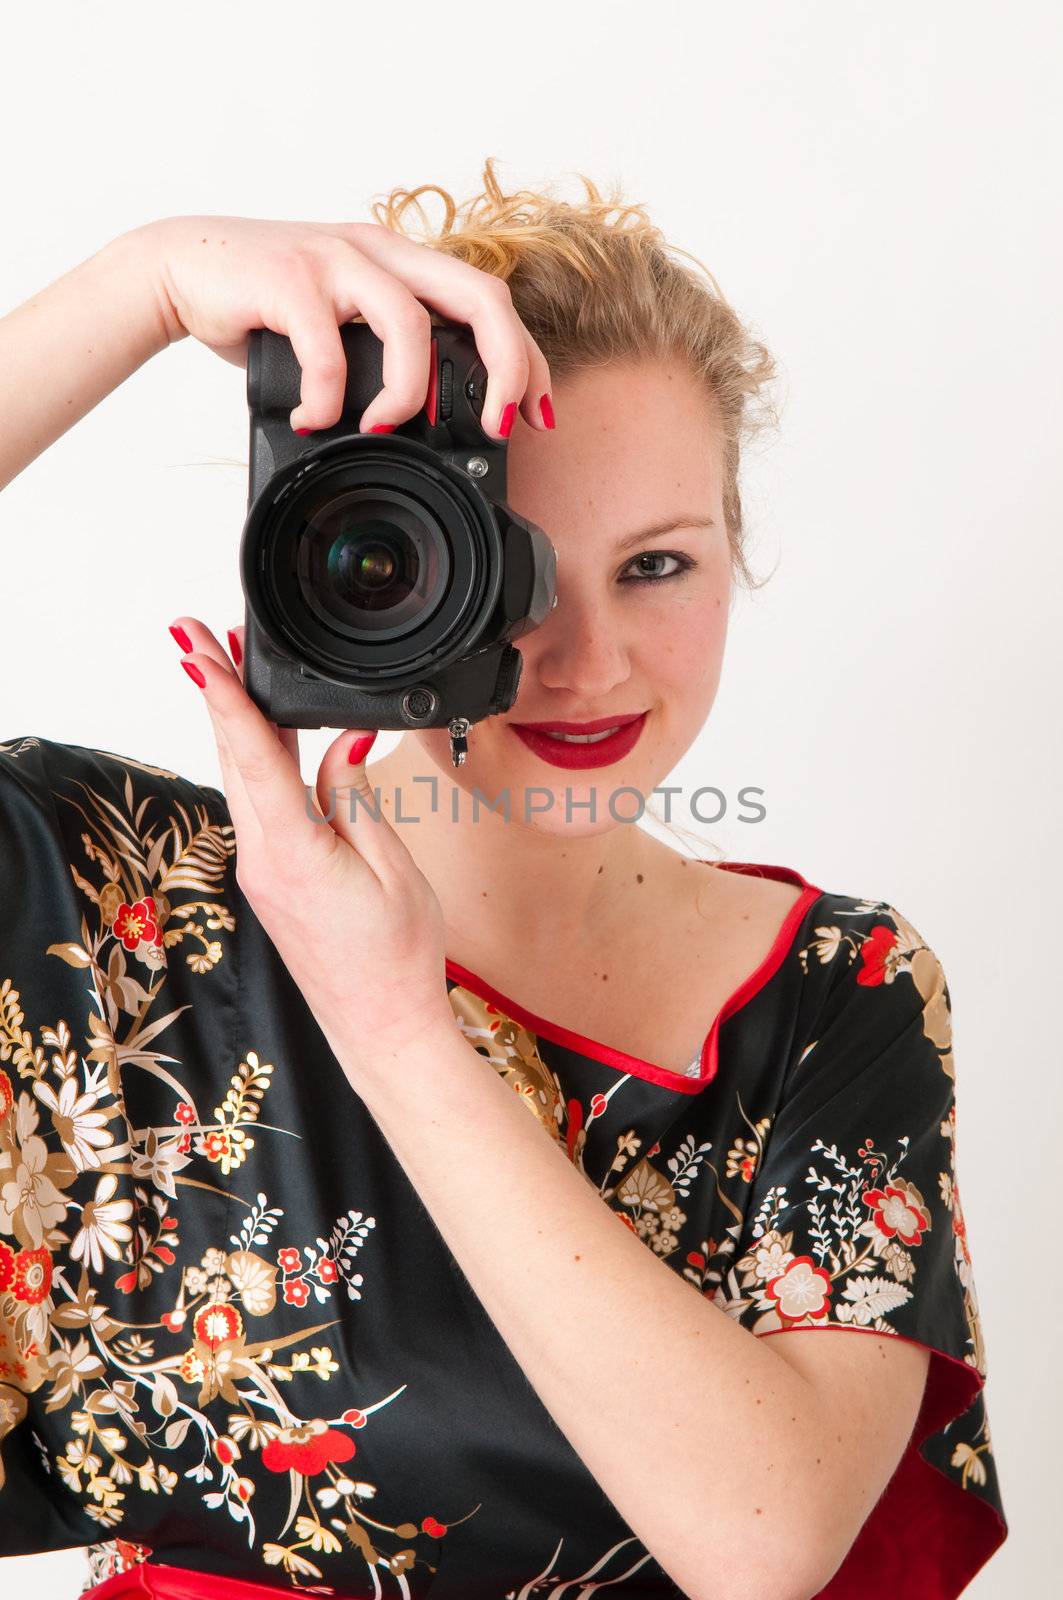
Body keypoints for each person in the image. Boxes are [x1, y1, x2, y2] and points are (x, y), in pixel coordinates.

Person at [0, 161, 1007, 1599]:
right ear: (358, 563)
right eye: (512, 573)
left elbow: (764, 1541)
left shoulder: (835, 993)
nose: (588, 659)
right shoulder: (115, 900)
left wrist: (396, 1028)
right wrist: (142, 284)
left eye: (657, 565)